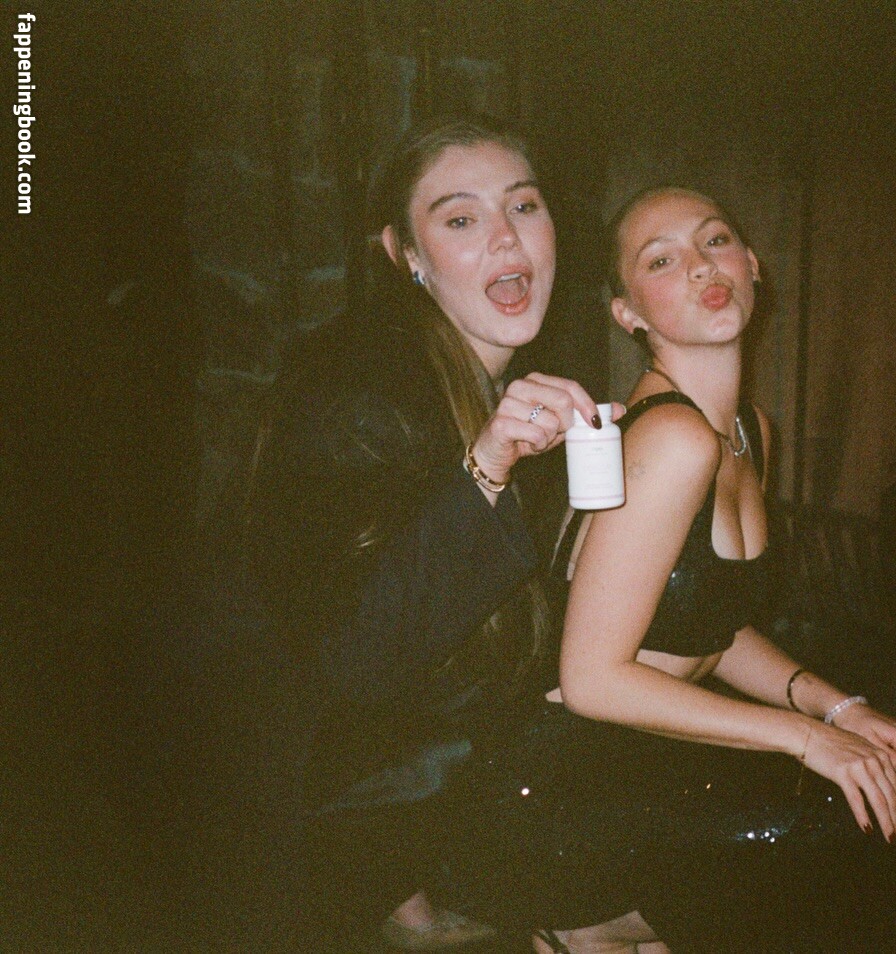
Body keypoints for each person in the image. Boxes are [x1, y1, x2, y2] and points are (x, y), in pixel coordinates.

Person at [488, 186, 896, 953]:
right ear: (628, 314)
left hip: (651, 754)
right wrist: (802, 738)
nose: (699, 266)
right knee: (847, 829)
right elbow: (591, 680)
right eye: (661, 260)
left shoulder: (750, 432)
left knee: (892, 781)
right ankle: (580, 922)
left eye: (714, 241)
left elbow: (711, 625)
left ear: (753, 265)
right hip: (567, 777)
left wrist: (841, 711)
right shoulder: (671, 440)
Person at [172, 112, 612, 951]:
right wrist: (487, 466)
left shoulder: (497, 381)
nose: (506, 237)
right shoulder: (352, 388)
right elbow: (352, 659)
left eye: (523, 205)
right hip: (281, 808)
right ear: (404, 254)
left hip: (377, 774)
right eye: (460, 219)